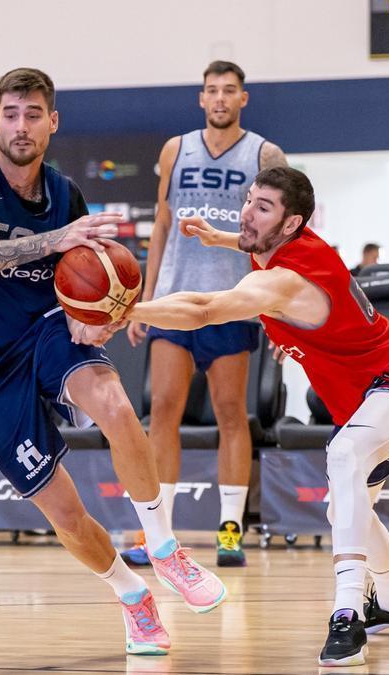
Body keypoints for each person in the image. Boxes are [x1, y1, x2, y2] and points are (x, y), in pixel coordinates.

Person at [0, 67, 226, 656]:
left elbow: (86, 286)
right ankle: (132, 595)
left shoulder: (66, 195)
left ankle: (165, 549)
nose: (21, 125)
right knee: (63, 508)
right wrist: (50, 241)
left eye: (33, 114)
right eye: (10, 113)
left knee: (116, 405)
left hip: (45, 331)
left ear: (52, 122)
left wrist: (104, 315)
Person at [122, 167, 389, 667]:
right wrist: (222, 239)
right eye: (249, 200)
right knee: (344, 511)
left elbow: (205, 308)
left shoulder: (283, 280)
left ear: (292, 223)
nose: (247, 212)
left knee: (343, 454)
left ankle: (347, 616)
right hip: (363, 398)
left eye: (263, 207)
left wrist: (129, 312)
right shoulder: (282, 246)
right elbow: (257, 243)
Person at [122, 60, 287, 569]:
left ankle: (231, 531)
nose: (219, 98)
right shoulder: (176, 148)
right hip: (174, 299)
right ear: (201, 98)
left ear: (243, 98)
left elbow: (280, 241)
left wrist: (278, 309)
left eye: (229, 91)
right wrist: (141, 302)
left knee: (231, 414)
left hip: (232, 302)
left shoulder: (265, 153)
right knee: (163, 412)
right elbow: (164, 225)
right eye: (212, 90)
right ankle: (160, 537)